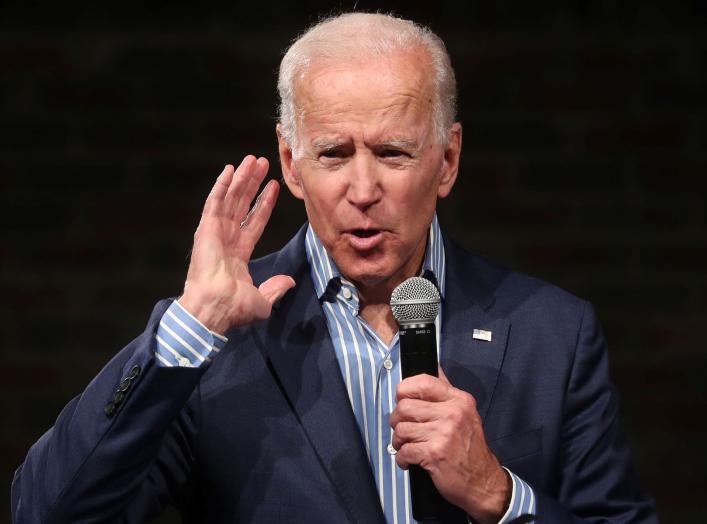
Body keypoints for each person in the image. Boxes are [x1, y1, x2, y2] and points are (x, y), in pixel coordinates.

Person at [11, 12, 657, 524]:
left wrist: (498, 496)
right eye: (332, 153)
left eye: (393, 151)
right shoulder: (215, 343)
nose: (363, 188)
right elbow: (47, 512)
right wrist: (192, 325)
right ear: (291, 164)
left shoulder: (553, 332)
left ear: (448, 160)